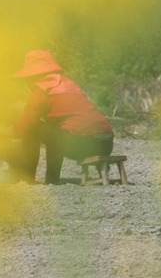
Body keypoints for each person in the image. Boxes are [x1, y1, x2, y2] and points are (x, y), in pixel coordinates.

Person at [12, 50, 113, 184]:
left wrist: (8, 133)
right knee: (56, 132)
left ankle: (32, 178)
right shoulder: (70, 84)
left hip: (81, 145)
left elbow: (26, 123)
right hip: (106, 144)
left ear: (33, 76)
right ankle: (50, 179)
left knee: (33, 130)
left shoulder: (42, 90)